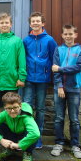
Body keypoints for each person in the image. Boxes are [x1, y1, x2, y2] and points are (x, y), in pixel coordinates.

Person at [51, 24, 81, 159]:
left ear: (75, 35)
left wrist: (60, 69)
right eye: (65, 34)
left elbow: (78, 67)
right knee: (59, 118)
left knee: (74, 119)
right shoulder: (58, 49)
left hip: (74, 88)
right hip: (59, 89)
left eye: (70, 34)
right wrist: (59, 85)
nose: (68, 36)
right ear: (62, 35)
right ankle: (59, 143)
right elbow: (54, 69)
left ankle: (75, 145)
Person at [22, 11, 57, 149]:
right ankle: (28, 135)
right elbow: (22, 58)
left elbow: (55, 58)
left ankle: (38, 138)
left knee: (41, 109)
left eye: (38, 21)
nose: (35, 23)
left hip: (43, 79)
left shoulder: (49, 40)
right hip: (29, 78)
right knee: (26, 107)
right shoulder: (25, 40)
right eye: (33, 21)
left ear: (43, 23)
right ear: (30, 24)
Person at [0, 12, 27, 110]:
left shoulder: (17, 41)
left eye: (6, 23)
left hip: (11, 82)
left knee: (11, 110)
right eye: (2, 23)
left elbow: (22, 62)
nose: (4, 25)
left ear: (11, 24)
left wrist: (21, 78)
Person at [0, 92, 39, 161]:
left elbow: (36, 133)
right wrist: (1, 140)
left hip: (24, 137)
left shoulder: (26, 116)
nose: (12, 111)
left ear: (20, 106)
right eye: (9, 108)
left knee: (33, 131)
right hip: (12, 135)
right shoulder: (4, 114)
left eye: (15, 107)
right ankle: (10, 150)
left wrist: (19, 145)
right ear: (5, 108)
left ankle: (28, 153)